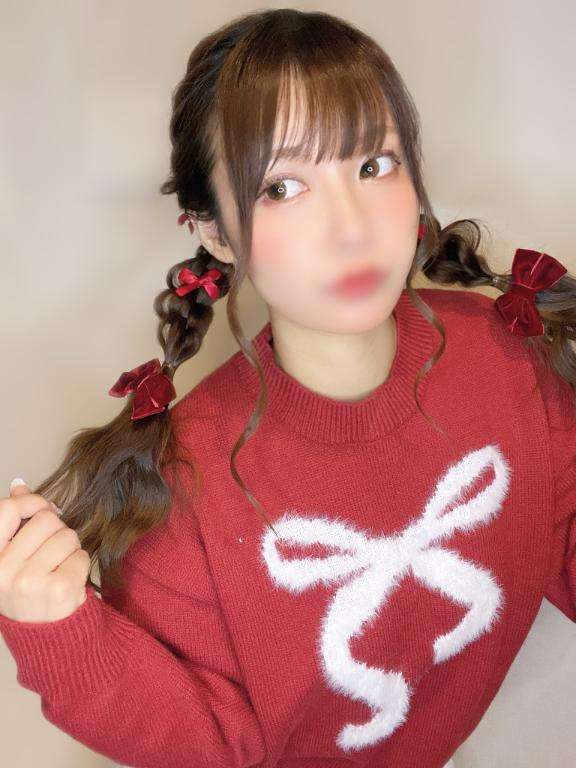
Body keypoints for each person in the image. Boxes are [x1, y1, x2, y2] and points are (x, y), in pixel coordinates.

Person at [0, 8, 574, 768]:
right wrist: (62, 633)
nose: (351, 227)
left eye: (374, 166)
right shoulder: (181, 493)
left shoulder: (507, 355)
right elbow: (212, 748)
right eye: (282, 186)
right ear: (214, 232)